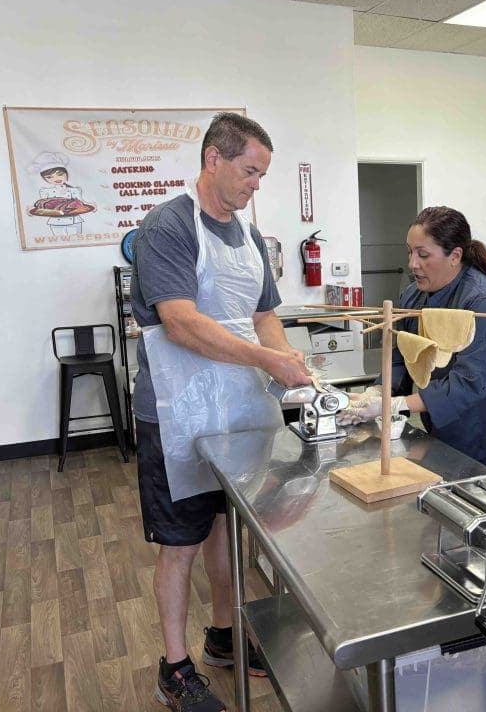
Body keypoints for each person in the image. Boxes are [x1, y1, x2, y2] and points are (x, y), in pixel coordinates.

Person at [132, 113, 311, 712]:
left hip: (236, 410)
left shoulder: (250, 237)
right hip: (176, 411)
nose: (256, 184)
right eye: (249, 171)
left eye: (262, 174)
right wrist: (267, 357)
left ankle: (224, 637)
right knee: (181, 540)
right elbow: (179, 322)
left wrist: (289, 363)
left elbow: (264, 316)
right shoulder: (169, 226)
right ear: (214, 158)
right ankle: (174, 667)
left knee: (225, 531)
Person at [345, 206, 486, 484]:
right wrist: (377, 391)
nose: (412, 263)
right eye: (410, 252)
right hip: (446, 431)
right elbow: (400, 358)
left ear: (455, 256)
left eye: (423, 255)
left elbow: (468, 383)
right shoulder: (414, 296)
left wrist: (394, 405)